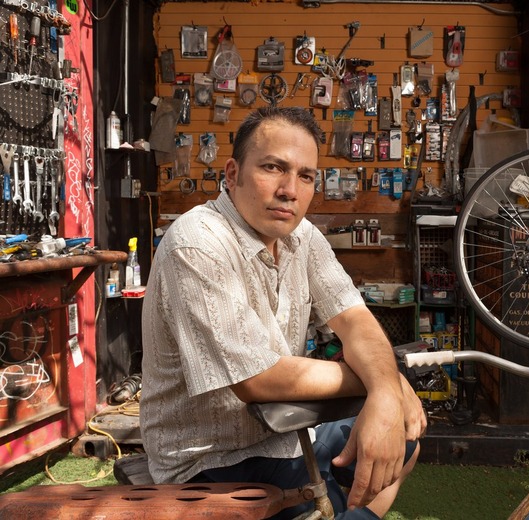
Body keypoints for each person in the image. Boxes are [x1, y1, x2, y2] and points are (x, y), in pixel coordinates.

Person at [140, 106, 426, 519]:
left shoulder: (303, 237)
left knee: (404, 436)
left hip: (287, 434)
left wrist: (384, 391)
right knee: (384, 424)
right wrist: (388, 383)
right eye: (273, 167)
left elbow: (356, 320)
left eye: (305, 176)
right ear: (233, 174)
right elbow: (258, 378)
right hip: (210, 461)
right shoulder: (198, 242)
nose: (290, 190)